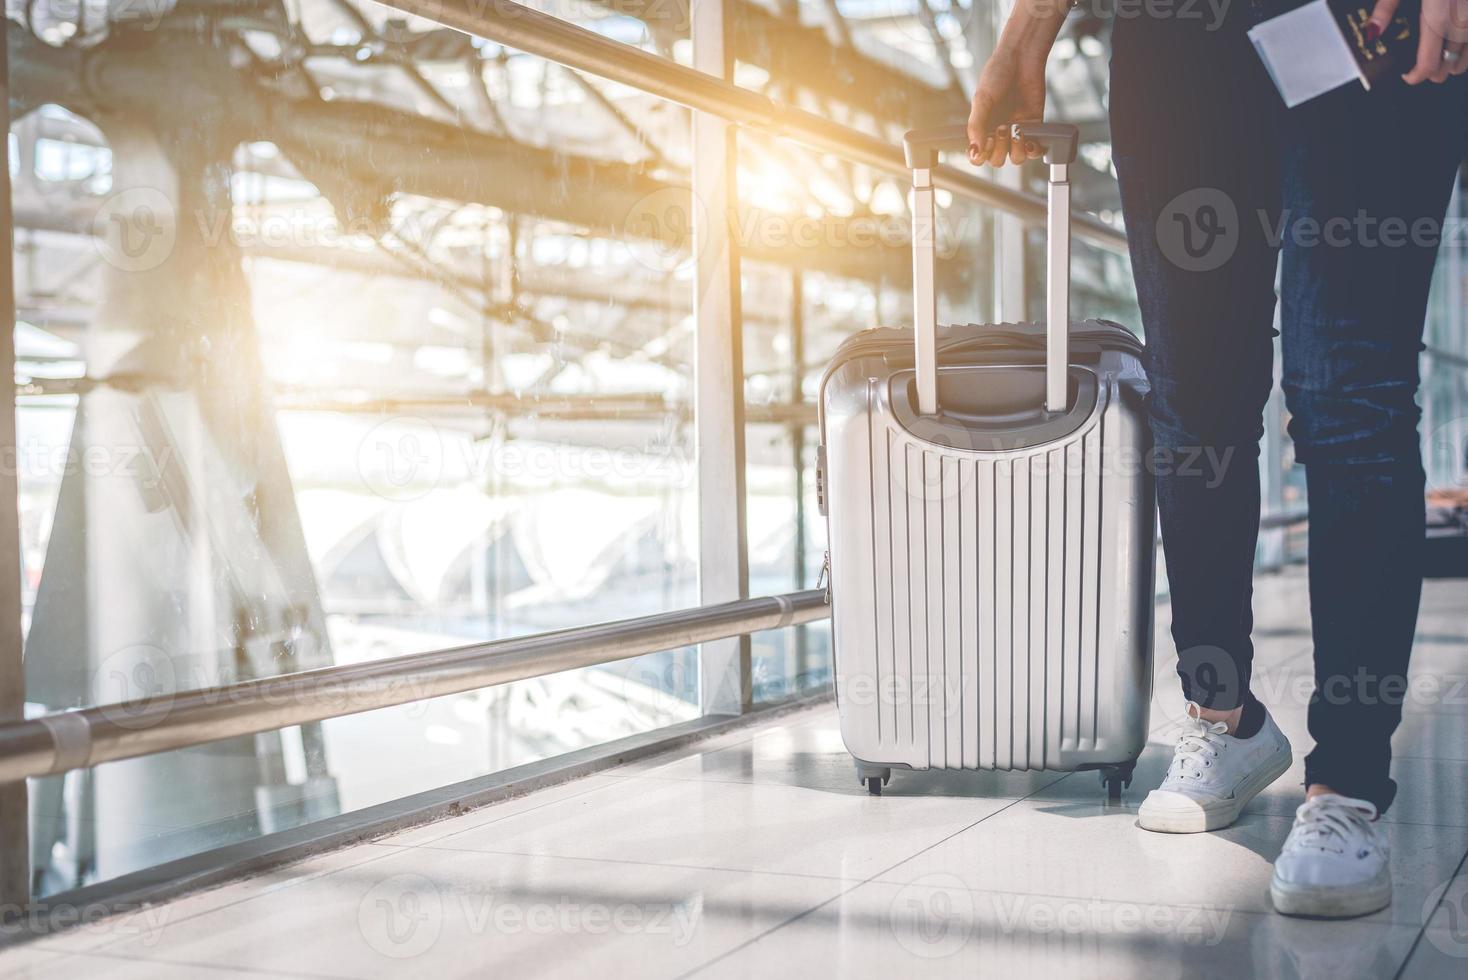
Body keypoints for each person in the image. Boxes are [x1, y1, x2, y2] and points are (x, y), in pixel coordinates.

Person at [968, 0, 1468, 918]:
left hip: (1371, 23)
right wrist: (1026, 30)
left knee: (1345, 391)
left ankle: (1347, 784)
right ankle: (1224, 717)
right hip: (1174, 41)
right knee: (1195, 399)